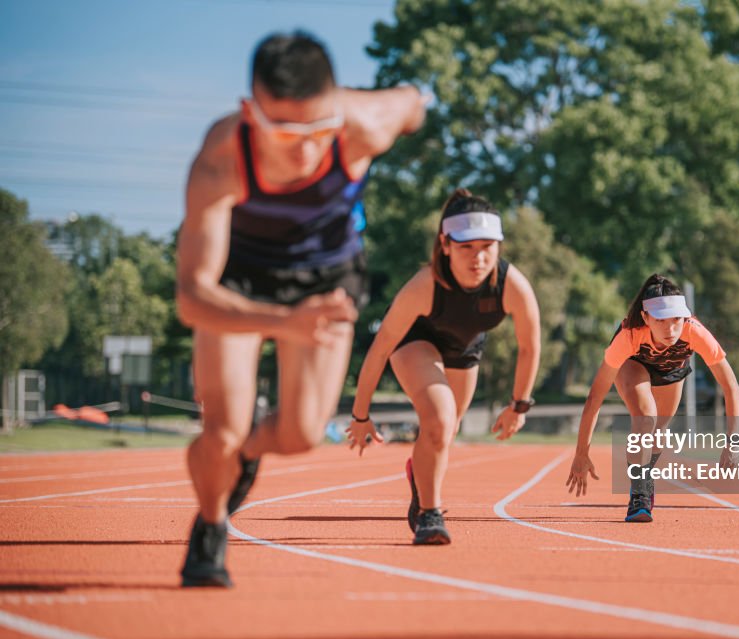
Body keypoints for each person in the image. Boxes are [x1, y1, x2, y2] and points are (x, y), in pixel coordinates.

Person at [175, 30, 428, 587]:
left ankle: (244, 456)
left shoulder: (362, 124)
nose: (305, 148)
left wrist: (411, 100)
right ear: (250, 113)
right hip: (239, 277)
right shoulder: (222, 155)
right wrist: (281, 321)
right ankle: (212, 526)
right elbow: (193, 296)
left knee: (299, 435)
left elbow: (411, 103)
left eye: (318, 129)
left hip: (327, 278)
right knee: (218, 431)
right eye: (285, 132)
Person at [345, 189, 542, 545]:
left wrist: (519, 405)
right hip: (415, 344)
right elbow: (378, 350)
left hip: (464, 349)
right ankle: (429, 515)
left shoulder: (511, 284)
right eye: (466, 247)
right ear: (445, 244)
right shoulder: (423, 287)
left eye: (487, 247)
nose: (478, 258)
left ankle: (417, 477)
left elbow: (530, 346)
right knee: (440, 417)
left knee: (441, 436)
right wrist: (360, 416)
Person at [565, 274, 739, 522]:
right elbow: (595, 397)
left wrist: (732, 444)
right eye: (661, 321)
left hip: (672, 370)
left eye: (676, 320)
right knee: (646, 418)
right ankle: (639, 495)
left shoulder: (694, 331)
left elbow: (730, 385)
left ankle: (645, 475)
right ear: (646, 318)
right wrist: (581, 453)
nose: (670, 330)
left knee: (659, 434)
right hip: (634, 364)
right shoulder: (629, 336)